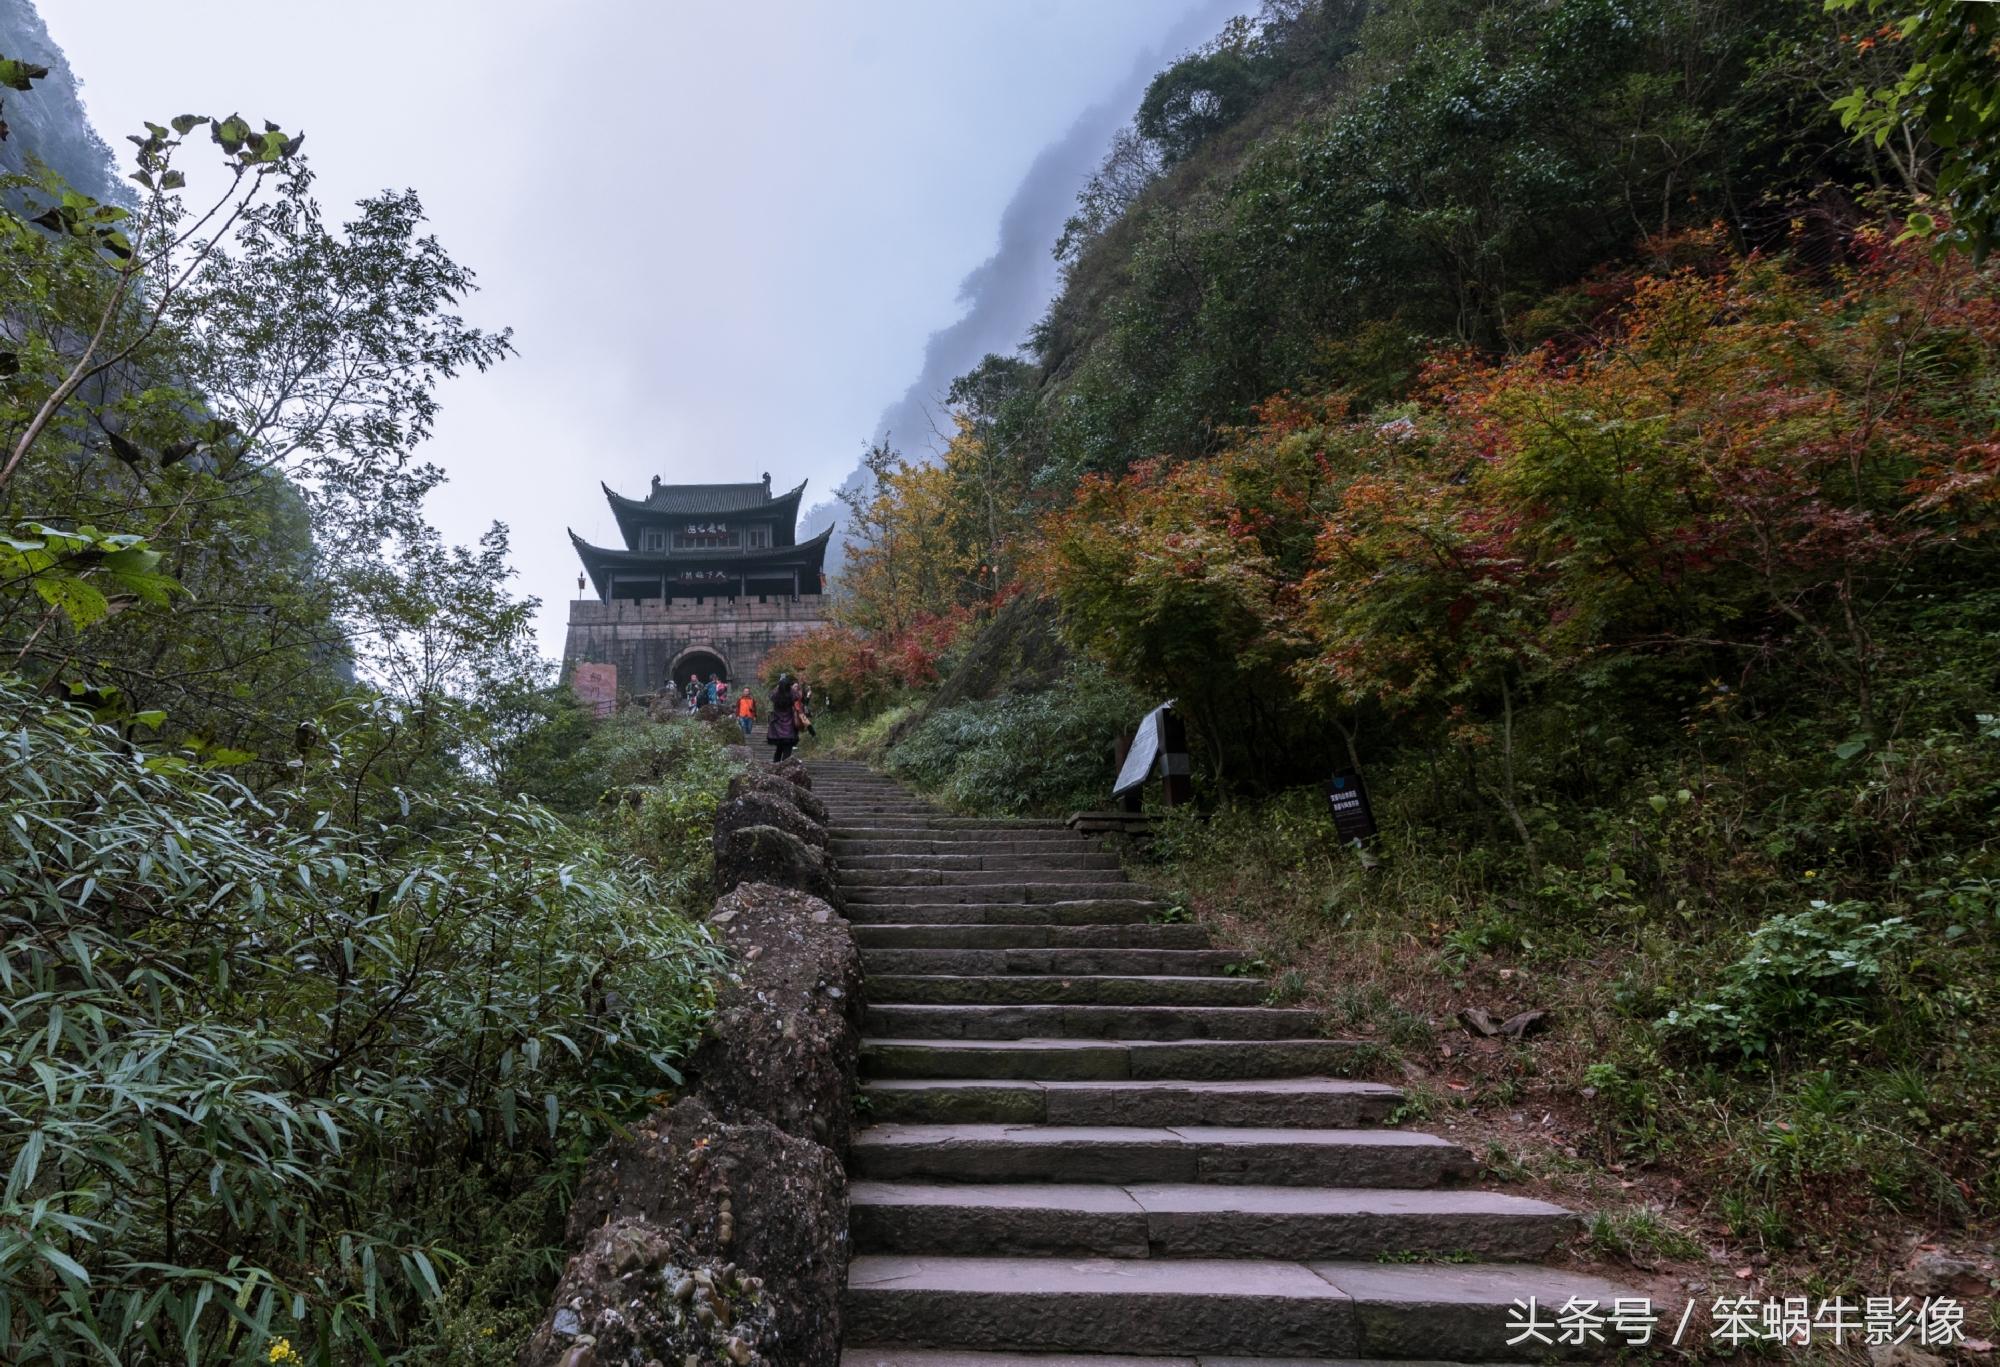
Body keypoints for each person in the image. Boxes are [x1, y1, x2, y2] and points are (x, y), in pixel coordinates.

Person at [767, 674, 799, 764]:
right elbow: (797, 697)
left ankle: (776, 765)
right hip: (789, 723)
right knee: (787, 748)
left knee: (779, 748)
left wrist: (778, 687)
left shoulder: (776, 695)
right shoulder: (791, 694)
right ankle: (785, 767)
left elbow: (771, 696)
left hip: (778, 723)